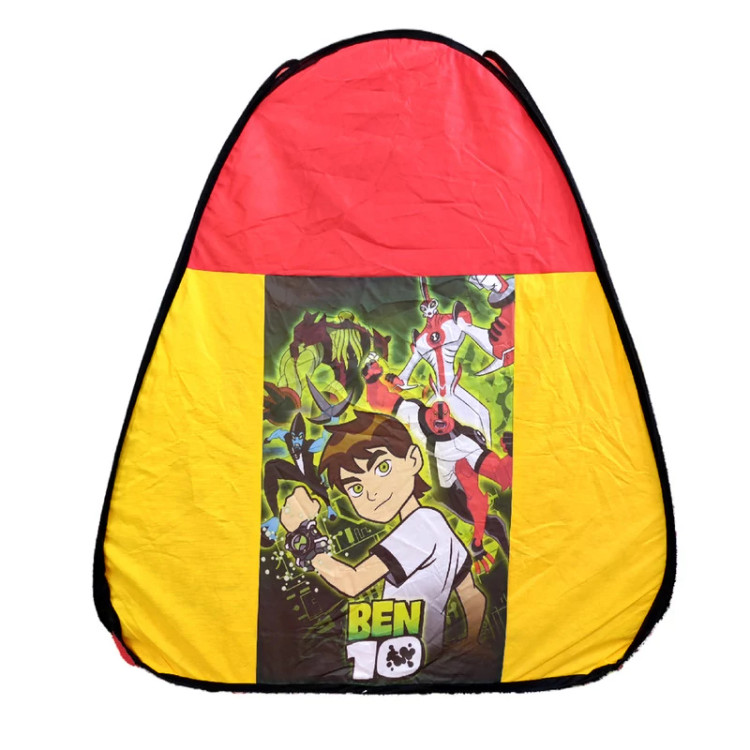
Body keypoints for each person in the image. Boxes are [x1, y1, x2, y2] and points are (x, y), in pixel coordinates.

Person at [278, 410, 486, 660]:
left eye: (382, 467)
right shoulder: (436, 522)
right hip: (416, 656)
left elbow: (352, 582)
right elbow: (472, 594)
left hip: (401, 659)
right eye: (356, 488)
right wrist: (471, 643)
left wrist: (303, 535)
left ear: (413, 459)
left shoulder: (420, 525)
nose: (372, 493)